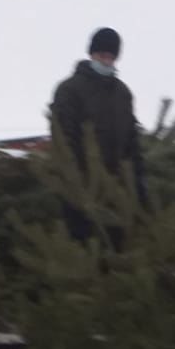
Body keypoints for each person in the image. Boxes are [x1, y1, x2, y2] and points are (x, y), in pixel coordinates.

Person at [50, 28, 148, 238]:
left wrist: (137, 182)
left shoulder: (123, 93)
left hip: (117, 190)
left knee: (116, 246)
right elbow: (64, 138)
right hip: (80, 191)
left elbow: (132, 140)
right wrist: (77, 182)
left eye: (111, 56)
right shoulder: (69, 89)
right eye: (102, 54)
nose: (106, 60)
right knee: (84, 245)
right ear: (91, 54)